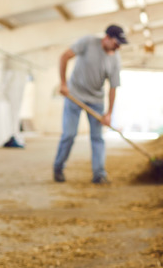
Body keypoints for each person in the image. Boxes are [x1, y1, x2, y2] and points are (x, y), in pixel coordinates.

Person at [53, 24, 127, 184]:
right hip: (74, 95)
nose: (118, 47)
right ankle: (58, 167)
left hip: (96, 101)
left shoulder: (115, 59)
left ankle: (99, 174)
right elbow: (64, 56)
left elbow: (113, 87)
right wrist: (63, 84)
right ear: (107, 38)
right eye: (116, 43)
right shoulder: (88, 42)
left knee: (97, 138)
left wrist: (108, 113)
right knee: (69, 135)